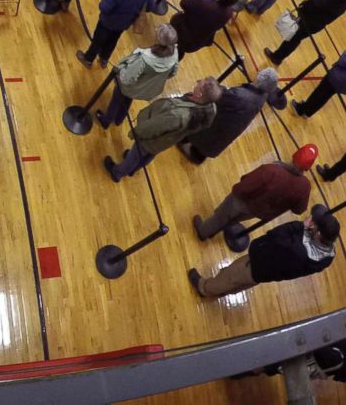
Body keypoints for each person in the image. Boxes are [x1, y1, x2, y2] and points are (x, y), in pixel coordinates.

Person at [188, 205, 337, 298]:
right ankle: (222, 291)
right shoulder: (328, 256)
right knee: (238, 284)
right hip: (265, 273)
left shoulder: (297, 250)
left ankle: (204, 288)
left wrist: (299, 226)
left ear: (319, 234)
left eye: (315, 224)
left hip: (257, 264)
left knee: (229, 277)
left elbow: (275, 235)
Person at [104, 77, 222, 182]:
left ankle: (117, 172)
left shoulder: (178, 115)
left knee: (136, 154)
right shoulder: (209, 107)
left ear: (199, 95)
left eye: (200, 83)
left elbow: (154, 127)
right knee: (148, 155)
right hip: (164, 141)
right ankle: (132, 169)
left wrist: (137, 132)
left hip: (153, 138)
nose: (198, 81)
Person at [193, 145, 315, 241]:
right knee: (234, 220)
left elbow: (244, 186)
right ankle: (214, 231)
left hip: (242, 201)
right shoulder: (305, 187)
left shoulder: (271, 170)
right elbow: (298, 210)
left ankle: (203, 232)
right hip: (259, 212)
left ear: (294, 155)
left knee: (221, 215)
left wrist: (235, 190)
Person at [179, 69, 286, 164]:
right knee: (213, 142)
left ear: (258, 80)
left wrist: (212, 86)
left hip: (219, 124)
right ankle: (198, 154)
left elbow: (218, 97)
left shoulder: (240, 96)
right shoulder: (263, 95)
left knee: (202, 131)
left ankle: (189, 146)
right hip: (231, 126)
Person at [77, 0, 156, 69]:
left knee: (98, 40)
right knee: (113, 40)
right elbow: (149, 7)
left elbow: (104, 7)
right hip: (124, 23)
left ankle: (88, 59)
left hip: (107, 22)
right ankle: (104, 59)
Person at [96, 24, 179, 129]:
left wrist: (121, 71)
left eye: (157, 31)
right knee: (128, 100)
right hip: (142, 88)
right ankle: (119, 119)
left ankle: (106, 120)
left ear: (158, 40)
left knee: (116, 100)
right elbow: (173, 73)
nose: (155, 29)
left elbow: (127, 78)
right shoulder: (174, 54)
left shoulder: (144, 58)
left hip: (130, 86)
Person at [265, 0, 346, 65]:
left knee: (294, 38)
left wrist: (304, 6)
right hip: (313, 23)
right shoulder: (340, 0)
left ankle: (277, 57)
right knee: (294, 38)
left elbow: (316, 4)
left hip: (310, 22)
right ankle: (278, 56)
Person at [169, 0, 239, 61]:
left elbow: (183, 3)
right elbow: (218, 6)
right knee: (178, 53)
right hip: (195, 43)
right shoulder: (228, 13)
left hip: (179, 32)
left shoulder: (203, 3)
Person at [290, 51, 346, 118]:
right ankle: (308, 113)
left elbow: (343, 61)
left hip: (338, 77)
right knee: (325, 97)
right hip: (343, 85)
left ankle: (300, 109)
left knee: (319, 93)